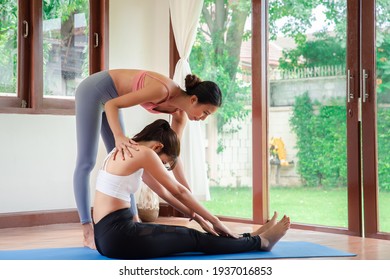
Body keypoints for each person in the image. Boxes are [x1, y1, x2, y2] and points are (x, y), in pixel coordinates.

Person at [93, 119, 290, 259]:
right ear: (158, 147)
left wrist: (197, 217)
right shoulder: (144, 153)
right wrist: (214, 220)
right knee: (192, 237)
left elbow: (164, 193)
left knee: (190, 233)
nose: (160, 166)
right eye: (164, 162)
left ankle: (252, 237)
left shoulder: (125, 149)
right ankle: (262, 243)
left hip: (106, 236)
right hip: (119, 236)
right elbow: (179, 191)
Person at [73, 69, 223, 249]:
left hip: (113, 98)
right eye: (205, 112)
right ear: (193, 100)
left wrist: (188, 196)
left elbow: (173, 156)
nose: (203, 118)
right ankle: (87, 230)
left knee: (126, 158)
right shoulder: (163, 90)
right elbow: (112, 105)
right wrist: (119, 136)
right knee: (86, 162)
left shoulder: (180, 116)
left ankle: (134, 218)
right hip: (95, 89)